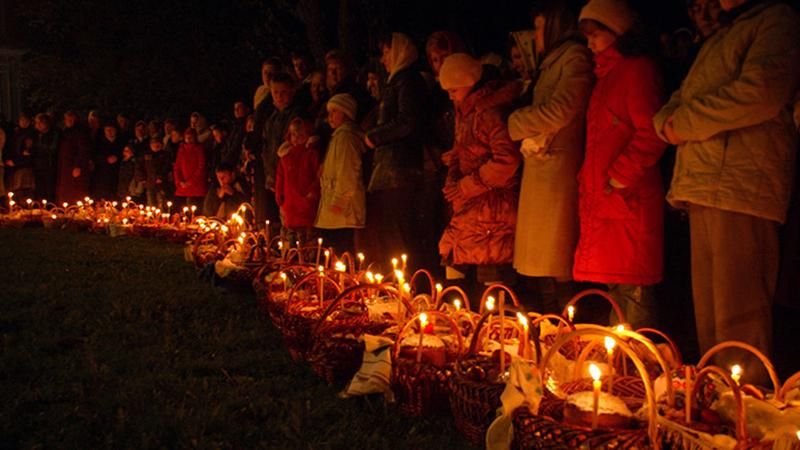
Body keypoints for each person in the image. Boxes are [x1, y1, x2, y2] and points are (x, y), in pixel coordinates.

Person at [653, 0, 800, 381]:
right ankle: (718, 403)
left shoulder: (775, 21)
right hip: (705, 182)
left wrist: (682, 122)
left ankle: (745, 414)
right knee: (711, 317)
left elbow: (760, 92)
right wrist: (667, 119)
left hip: (741, 182)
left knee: (740, 314)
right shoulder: (722, 35)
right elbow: (682, 96)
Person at [573, 0, 667, 328]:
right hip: (611, 201)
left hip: (628, 201)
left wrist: (617, 178)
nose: (589, 42)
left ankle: (636, 368)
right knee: (619, 284)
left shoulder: (636, 71)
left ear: (618, 32)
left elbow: (652, 132)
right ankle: (621, 368)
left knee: (633, 287)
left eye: (594, 34)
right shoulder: (608, 75)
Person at [507, 0, 593, 312]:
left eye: (540, 27)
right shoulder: (553, 62)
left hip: (557, 168)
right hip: (543, 166)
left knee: (556, 258)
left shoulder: (574, 58)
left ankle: (565, 324)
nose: (535, 35)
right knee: (542, 259)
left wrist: (516, 122)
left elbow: (563, 109)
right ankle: (550, 323)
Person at [437, 53, 522, 290]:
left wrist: (466, 185)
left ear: (469, 82)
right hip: (471, 204)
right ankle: (457, 315)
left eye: (453, 89)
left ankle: (497, 320)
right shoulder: (465, 114)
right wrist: (453, 178)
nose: (450, 95)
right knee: (453, 253)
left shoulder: (489, 114)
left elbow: (507, 159)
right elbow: (461, 150)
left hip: (492, 205)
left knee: (490, 259)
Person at [362, 32, 429, 266]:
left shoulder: (407, 81)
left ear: (399, 50)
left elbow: (407, 121)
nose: (383, 59)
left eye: (386, 52)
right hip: (391, 169)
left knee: (399, 232)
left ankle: (405, 284)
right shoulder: (397, 81)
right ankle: (397, 281)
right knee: (391, 231)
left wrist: (375, 137)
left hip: (399, 170)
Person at [315, 94, 366, 253]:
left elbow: (348, 170)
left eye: (334, 111)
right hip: (336, 211)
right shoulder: (338, 137)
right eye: (329, 112)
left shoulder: (346, 138)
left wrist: (340, 200)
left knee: (341, 251)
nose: (330, 116)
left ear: (346, 113)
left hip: (343, 212)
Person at [260, 72, 302, 223]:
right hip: (273, 175)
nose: (279, 96)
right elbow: (266, 148)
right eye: (275, 92)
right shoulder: (271, 118)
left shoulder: (297, 116)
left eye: (283, 92)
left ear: (292, 91)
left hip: (289, 177)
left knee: (289, 219)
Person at [275, 117, 321, 245]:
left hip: (306, 202)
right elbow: (280, 176)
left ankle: (308, 258)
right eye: (293, 134)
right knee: (291, 234)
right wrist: (279, 193)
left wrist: (313, 192)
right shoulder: (285, 156)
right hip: (290, 202)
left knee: (308, 234)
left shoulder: (311, 154)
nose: (297, 138)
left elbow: (319, 175)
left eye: (301, 134)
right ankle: (291, 256)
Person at [56, 111, 91, 204]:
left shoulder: (80, 132)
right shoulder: (64, 132)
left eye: (71, 119)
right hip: (65, 166)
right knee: (65, 190)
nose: (69, 121)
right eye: (67, 119)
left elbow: (83, 150)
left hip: (74, 166)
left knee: (75, 191)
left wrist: (78, 166)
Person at [173, 128, 207, 207]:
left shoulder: (199, 149)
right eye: (186, 137)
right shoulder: (181, 149)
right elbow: (177, 167)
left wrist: (190, 181)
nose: (188, 139)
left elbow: (201, 167)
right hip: (182, 186)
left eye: (190, 137)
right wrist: (179, 181)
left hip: (196, 186)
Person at [92, 122, 122, 200]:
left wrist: (117, 158)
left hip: (117, 175)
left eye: (111, 130)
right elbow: (94, 156)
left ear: (115, 131)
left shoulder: (120, 142)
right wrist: (105, 159)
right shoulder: (99, 142)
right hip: (102, 175)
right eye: (107, 130)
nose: (109, 132)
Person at [32, 113, 59, 202]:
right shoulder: (35, 135)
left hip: (49, 166)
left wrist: (38, 147)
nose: (38, 125)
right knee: (40, 190)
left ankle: (50, 209)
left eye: (40, 123)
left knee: (49, 190)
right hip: (37, 166)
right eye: (36, 123)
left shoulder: (54, 134)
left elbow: (52, 149)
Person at [141, 137, 172, 209]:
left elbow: (167, 168)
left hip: (162, 184)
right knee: (151, 203)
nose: (155, 146)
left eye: (157, 144)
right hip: (150, 183)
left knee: (161, 202)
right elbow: (139, 167)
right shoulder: (146, 155)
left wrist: (161, 177)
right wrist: (143, 179)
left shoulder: (165, 155)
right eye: (153, 144)